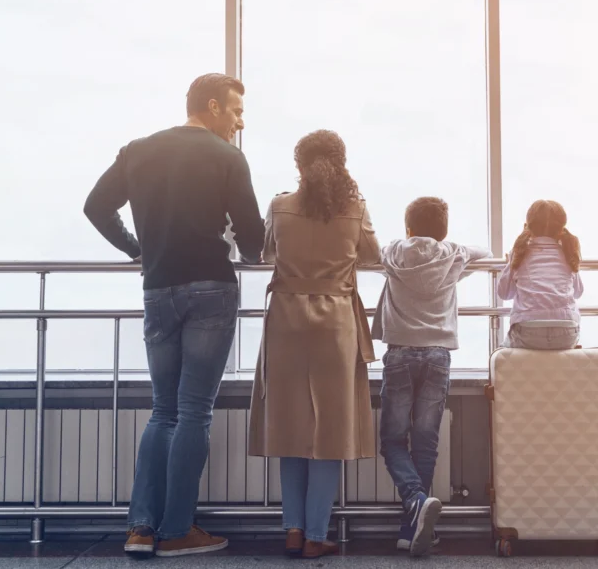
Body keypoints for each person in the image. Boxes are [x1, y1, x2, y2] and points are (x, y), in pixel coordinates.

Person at [84, 73, 265, 558]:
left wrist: (136, 249)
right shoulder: (228, 157)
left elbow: (96, 206)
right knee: (193, 412)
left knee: (162, 410)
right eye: (236, 111)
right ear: (212, 106)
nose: (240, 122)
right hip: (211, 289)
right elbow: (251, 237)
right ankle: (179, 528)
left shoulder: (138, 150)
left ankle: (140, 528)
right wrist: (249, 252)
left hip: (158, 289)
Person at [247, 130, 379, 559]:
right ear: (341, 163)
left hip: (285, 319)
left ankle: (292, 529)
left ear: (299, 164)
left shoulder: (280, 205)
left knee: (290, 425)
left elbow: (266, 252)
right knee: (329, 430)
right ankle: (317, 534)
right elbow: (373, 256)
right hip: (335, 321)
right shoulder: (355, 209)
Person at [371, 196, 490, 556]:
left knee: (392, 441)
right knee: (425, 442)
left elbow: (363, 253)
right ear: (444, 230)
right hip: (438, 355)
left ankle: (415, 504)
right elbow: (484, 251)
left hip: (400, 353)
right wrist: (454, 248)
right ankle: (415, 523)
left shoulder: (393, 253)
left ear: (407, 228)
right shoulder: (452, 255)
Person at [497, 199, 584, 350]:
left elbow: (504, 294)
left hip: (528, 332)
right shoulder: (567, 253)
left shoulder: (519, 254)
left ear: (528, 227)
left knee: (501, 350)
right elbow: (578, 292)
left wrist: (510, 263)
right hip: (566, 333)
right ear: (561, 229)